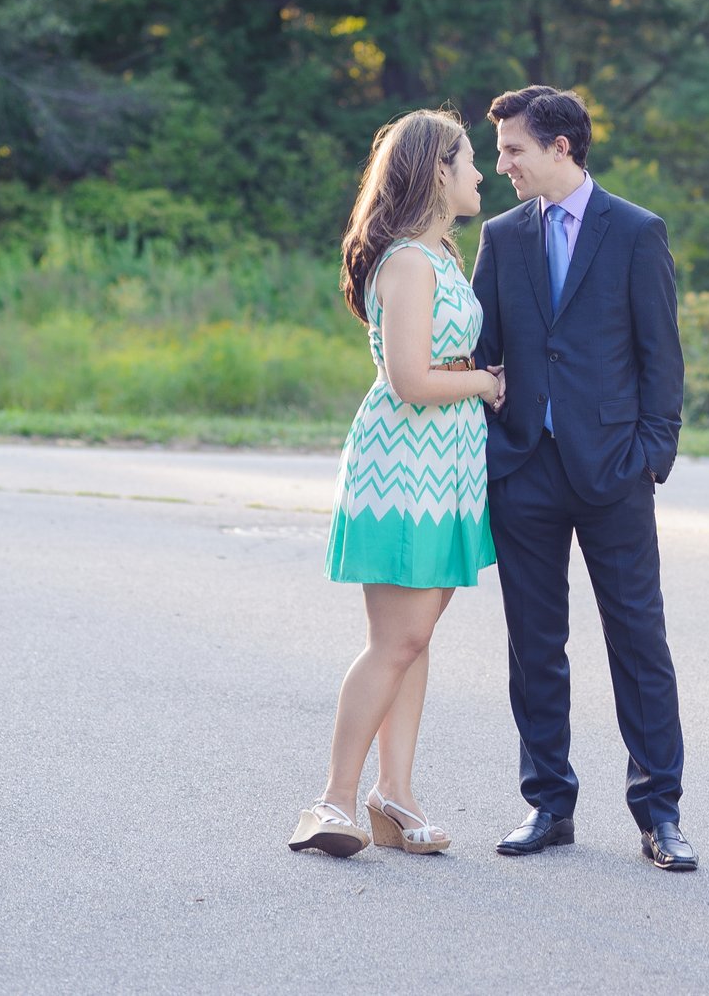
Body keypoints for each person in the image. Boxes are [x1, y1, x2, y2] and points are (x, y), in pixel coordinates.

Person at [472, 84, 696, 871]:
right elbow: (483, 352)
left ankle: (659, 812)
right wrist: (499, 452)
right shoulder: (501, 238)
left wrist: (651, 457)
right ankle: (548, 803)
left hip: (615, 473)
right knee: (535, 645)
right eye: (497, 153)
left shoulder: (636, 232)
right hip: (526, 469)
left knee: (639, 640)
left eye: (513, 150)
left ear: (560, 146)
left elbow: (660, 359)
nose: (501, 166)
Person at [289, 109, 502, 860]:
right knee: (397, 639)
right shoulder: (411, 260)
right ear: (437, 170)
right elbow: (410, 379)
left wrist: (472, 382)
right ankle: (334, 800)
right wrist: (487, 381)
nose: (481, 175)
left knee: (414, 639)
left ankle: (395, 795)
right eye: (470, 160)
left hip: (443, 470)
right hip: (403, 469)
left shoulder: (440, 251)